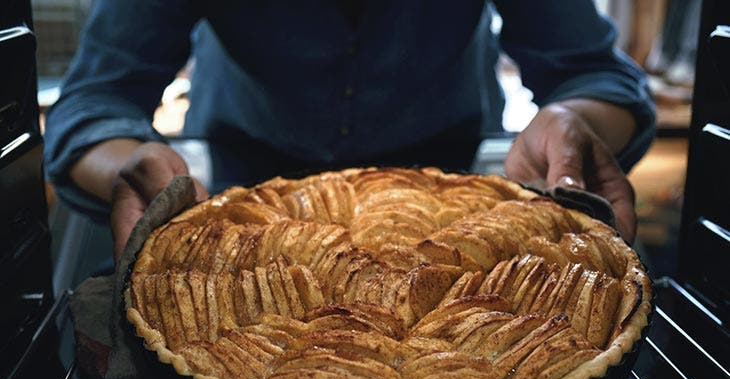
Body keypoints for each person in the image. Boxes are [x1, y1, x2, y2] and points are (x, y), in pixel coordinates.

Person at [44, 1, 655, 259]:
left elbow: (596, 75)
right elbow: (95, 103)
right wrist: (131, 167)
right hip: (243, 218)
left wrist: (575, 123)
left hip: (448, 227)